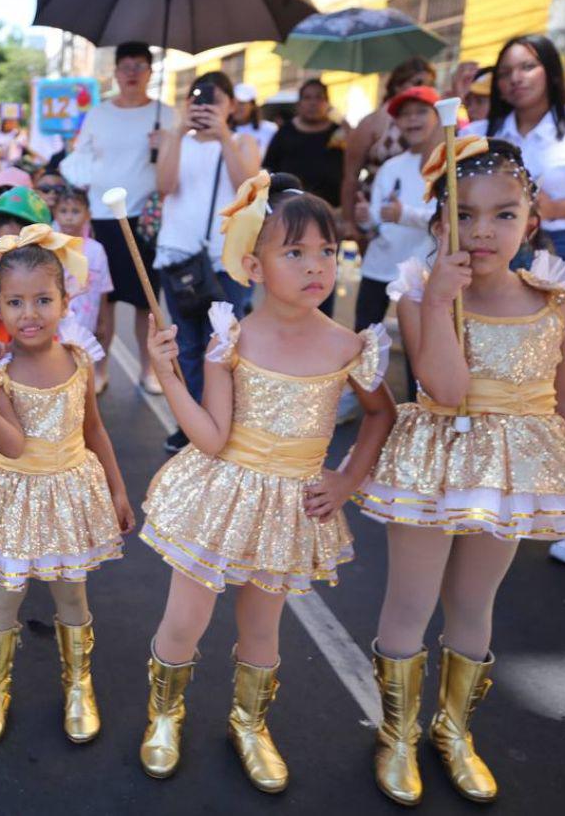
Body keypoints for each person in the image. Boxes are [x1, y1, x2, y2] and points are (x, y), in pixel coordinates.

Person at [139, 171, 396, 792]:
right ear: (253, 265)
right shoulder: (235, 338)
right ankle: (164, 714)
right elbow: (212, 437)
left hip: (291, 504)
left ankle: (249, 723)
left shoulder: (348, 345)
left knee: (263, 625)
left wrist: (346, 481)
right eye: (296, 252)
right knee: (186, 620)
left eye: (328, 252)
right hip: (223, 494)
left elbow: (381, 413)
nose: (317, 266)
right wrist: (168, 374)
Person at [357, 139, 565, 805]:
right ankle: (397, 733)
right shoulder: (420, 296)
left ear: (531, 224)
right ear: (439, 225)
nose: (483, 231)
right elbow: (445, 389)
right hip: (433, 466)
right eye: (466, 216)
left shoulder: (557, 301)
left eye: (504, 215)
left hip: (510, 473)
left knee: (476, 604)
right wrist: (438, 303)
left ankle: (454, 729)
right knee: (410, 602)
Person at [0, 228, 133, 746]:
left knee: (72, 595)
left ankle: (78, 684)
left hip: (71, 494)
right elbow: (13, 445)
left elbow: (94, 429)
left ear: (66, 301)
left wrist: (117, 489)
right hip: (16, 498)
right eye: (16, 302)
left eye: (43, 300)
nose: (30, 313)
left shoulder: (79, 358)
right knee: (5, 596)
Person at [60, 41, 175, 395]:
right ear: (115, 72)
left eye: (139, 66)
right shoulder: (99, 114)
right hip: (102, 217)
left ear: (150, 72)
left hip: (145, 219)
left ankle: (148, 368)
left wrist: (165, 142)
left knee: (147, 302)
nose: (131, 73)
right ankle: (101, 367)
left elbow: (177, 167)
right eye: (125, 66)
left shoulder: (167, 115)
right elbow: (79, 157)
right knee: (101, 302)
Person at [154, 73, 261, 450]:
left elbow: (246, 188)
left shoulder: (243, 141)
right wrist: (180, 130)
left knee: (223, 345)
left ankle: (224, 421)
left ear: (232, 104)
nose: (205, 106)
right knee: (185, 345)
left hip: (225, 258)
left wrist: (224, 136)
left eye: (216, 100)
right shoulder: (175, 139)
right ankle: (192, 424)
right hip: (179, 256)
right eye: (198, 98)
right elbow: (165, 186)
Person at [463, 35, 565, 271]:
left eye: (528, 67)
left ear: (553, 73)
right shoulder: (475, 137)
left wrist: (555, 209)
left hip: (564, 249)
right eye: (504, 73)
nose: (515, 78)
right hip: (488, 246)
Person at [352, 86, 441, 365]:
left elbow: (448, 219)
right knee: (365, 339)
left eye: (421, 112)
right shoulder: (390, 167)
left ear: (438, 116)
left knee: (419, 347)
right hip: (378, 267)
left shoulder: (449, 165)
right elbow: (376, 222)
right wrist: (366, 218)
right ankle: (362, 396)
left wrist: (405, 215)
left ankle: (420, 404)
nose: (412, 120)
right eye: (405, 114)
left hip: (422, 271)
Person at [340, 58, 436, 237]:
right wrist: (350, 222)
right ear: (397, 86)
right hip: (376, 208)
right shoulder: (372, 122)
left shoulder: (434, 120)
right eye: (418, 83)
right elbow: (350, 177)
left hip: (421, 211)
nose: (424, 88)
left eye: (430, 85)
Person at [53, 188, 114, 393]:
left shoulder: (96, 250)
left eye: (75, 211)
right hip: (56, 323)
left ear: (87, 214)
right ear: (55, 214)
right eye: (64, 211)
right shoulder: (49, 248)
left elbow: (103, 289)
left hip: (86, 323)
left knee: (83, 365)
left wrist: (103, 320)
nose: (69, 217)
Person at [263, 79, 346, 210]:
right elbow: (268, 169)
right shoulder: (284, 132)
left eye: (319, 97)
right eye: (307, 98)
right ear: (299, 104)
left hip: (331, 210)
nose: (313, 103)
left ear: (327, 103)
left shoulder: (340, 133)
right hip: (287, 210)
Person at [231, 84, 278, 157]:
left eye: (241, 103)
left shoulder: (270, 129)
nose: (236, 107)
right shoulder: (224, 131)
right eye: (233, 103)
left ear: (252, 105)